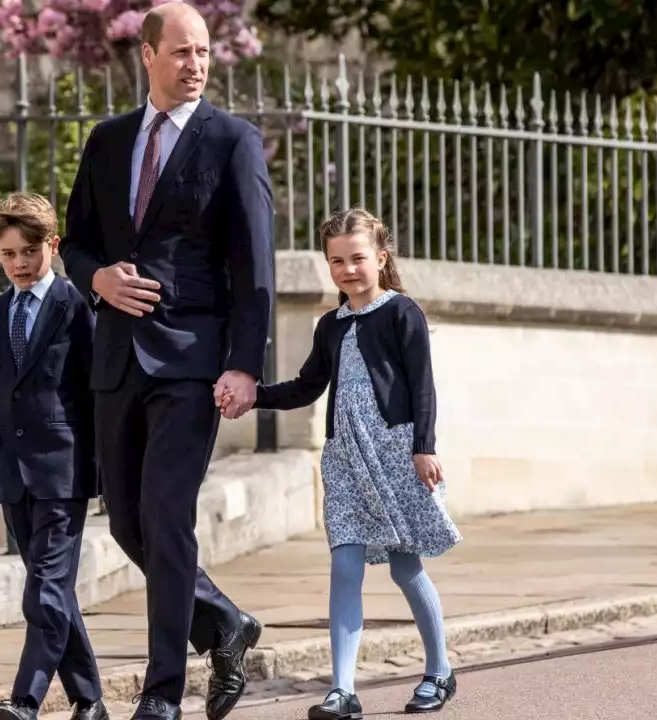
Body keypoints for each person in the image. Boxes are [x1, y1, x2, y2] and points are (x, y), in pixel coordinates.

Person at [57, 3, 275, 719]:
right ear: (145, 55)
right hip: (117, 361)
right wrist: (99, 280)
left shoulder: (232, 142)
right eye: (181, 52)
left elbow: (255, 268)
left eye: (205, 52)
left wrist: (245, 364)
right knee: (125, 522)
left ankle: (162, 693)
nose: (197, 64)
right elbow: (77, 240)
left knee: (166, 512)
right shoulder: (108, 140)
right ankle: (225, 625)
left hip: (192, 363)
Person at [250, 208, 461, 720]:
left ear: (380, 258)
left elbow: (422, 385)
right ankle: (342, 690)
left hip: (395, 451)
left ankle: (439, 670)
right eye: (336, 261)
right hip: (344, 457)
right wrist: (251, 396)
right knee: (345, 567)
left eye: (358, 258)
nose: (348, 269)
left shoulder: (401, 311)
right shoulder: (329, 325)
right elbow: (305, 386)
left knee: (406, 566)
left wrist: (424, 447)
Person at [0, 193, 107, 720]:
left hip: (65, 469)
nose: (20, 264)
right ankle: (90, 700)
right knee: (52, 591)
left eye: (30, 251)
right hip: (12, 473)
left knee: (44, 591)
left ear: (52, 246)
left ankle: (24, 700)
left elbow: (100, 388)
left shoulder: (78, 308)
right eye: (8, 254)